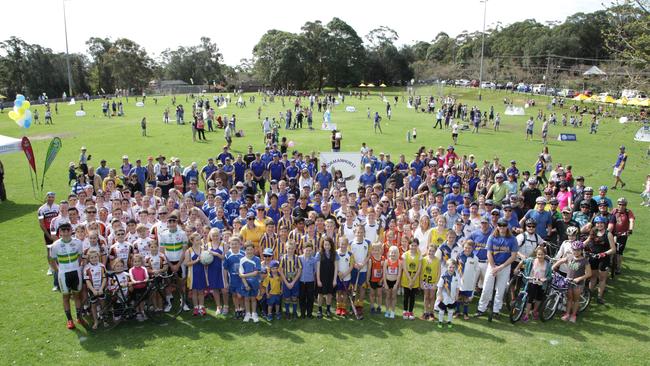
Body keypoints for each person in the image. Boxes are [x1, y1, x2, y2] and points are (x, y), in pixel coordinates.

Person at [476, 218, 518, 318]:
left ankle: (496, 311)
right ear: (497, 226)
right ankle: (481, 309)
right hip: (492, 265)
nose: (502, 227)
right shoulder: (492, 237)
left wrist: (501, 267)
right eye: (500, 225)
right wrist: (494, 267)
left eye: (504, 225)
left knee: (500, 290)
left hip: (505, 266)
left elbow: (513, 256)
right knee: (486, 288)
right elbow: (489, 253)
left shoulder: (512, 239)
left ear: (507, 226)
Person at [50, 223, 85, 329]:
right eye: (63, 231)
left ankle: (79, 317)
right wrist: (58, 270)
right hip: (63, 274)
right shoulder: (55, 245)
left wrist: (76, 267)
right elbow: (52, 260)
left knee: (77, 295)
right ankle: (70, 320)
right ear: (60, 232)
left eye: (67, 230)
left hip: (76, 272)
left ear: (71, 231)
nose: (65, 233)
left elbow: (80, 257)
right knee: (65, 296)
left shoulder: (78, 242)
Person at [553, 240, 591, 323]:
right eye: (574, 250)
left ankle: (573, 315)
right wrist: (553, 267)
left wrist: (579, 279)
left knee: (576, 300)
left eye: (578, 250)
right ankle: (567, 314)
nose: (576, 252)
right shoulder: (570, 257)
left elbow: (589, 274)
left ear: (581, 250)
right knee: (569, 299)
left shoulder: (584, 261)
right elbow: (560, 261)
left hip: (578, 284)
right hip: (568, 282)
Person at [584, 216, 616, 304]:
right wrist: (577, 245)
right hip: (593, 257)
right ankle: (589, 295)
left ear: (604, 224)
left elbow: (613, 249)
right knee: (593, 277)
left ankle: (599, 296)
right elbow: (587, 241)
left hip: (604, 259)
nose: (599, 225)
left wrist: (604, 254)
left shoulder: (608, 234)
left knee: (602, 278)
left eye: (601, 223)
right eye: (597, 223)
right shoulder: (593, 232)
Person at [516, 246, 551, 322]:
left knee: (539, 298)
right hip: (532, 282)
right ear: (536, 254)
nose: (540, 256)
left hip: (541, 284)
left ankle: (534, 311)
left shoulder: (547, 264)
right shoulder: (531, 260)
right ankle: (527, 314)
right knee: (530, 298)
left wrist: (545, 279)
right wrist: (517, 268)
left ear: (545, 255)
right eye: (538, 254)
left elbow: (549, 276)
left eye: (542, 254)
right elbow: (523, 261)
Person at [609, 197, 634, 275]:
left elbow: (631, 220)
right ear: (617, 204)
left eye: (623, 205)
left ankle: (618, 267)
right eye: (620, 204)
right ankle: (609, 263)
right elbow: (610, 219)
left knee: (619, 252)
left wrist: (630, 229)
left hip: (623, 234)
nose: (621, 206)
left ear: (626, 205)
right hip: (613, 233)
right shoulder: (614, 211)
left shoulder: (628, 212)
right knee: (610, 249)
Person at [83, 249, 106, 329]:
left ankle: (104, 319)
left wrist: (101, 289)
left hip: (101, 289)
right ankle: (96, 321)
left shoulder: (102, 266)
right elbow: (87, 281)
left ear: (98, 257)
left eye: (95, 257)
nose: (94, 259)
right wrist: (93, 290)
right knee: (93, 305)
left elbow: (104, 278)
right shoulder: (86, 268)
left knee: (102, 303)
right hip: (92, 290)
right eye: (92, 257)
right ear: (89, 259)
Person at [239, 241, 261, 323]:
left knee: (253, 299)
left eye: (251, 249)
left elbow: (255, 273)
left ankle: (254, 313)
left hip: (254, 283)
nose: (249, 251)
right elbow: (241, 272)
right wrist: (245, 284)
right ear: (245, 250)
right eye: (247, 249)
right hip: (245, 283)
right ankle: (247, 313)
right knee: (246, 299)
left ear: (254, 249)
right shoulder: (242, 260)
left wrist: (244, 275)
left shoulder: (257, 259)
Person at [316, 237, 338, 318]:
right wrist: (318, 280)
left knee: (329, 294)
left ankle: (328, 309)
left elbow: (336, 268)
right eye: (325, 244)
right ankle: (319, 310)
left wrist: (335, 280)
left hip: (331, 278)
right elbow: (317, 268)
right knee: (321, 294)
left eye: (328, 244)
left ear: (331, 245)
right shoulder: (319, 254)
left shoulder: (335, 254)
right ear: (322, 245)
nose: (327, 246)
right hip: (322, 277)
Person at [457, 240, 480, 320]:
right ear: (463, 247)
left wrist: (474, 281)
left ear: (472, 248)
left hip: (469, 282)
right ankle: (457, 312)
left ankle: (465, 313)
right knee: (459, 297)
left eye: (469, 248)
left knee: (466, 298)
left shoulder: (475, 258)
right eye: (466, 247)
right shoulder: (459, 256)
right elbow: (457, 267)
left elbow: (476, 270)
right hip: (460, 281)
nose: (467, 249)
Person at [185, 233, 207, 316]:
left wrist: (206, 261)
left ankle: (201, 307)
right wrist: (196, 261)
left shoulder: (203, 250)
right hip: (193, 274)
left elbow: (206, 262)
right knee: (194, 292)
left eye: (199, 240)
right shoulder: (189, 251)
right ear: (192, 241)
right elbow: (186, 263)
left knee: (201, 291)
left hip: (202, 273)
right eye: (197, 240)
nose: (198, 242)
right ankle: (196, 307)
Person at [279, 240, 302, 319]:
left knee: (294, 297)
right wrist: (286, 282)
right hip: (286, 281)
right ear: (286, 248)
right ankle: (287, 312)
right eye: (289, 248)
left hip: (294, 281)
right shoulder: (283, 258)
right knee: (287, 297)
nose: (290, 250)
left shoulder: (297, 258)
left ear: (294, 249)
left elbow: (299, 271)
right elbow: (281, 271)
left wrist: (293, 282)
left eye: (292, 248)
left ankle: (294, 312)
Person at [223, 236, 245, 319]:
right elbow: (225, 269)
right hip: (232, 279)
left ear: (240, 244)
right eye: (232, 244)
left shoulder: (243, 254)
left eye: (236, 244)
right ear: (230, 245)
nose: (234, 246)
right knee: (234, 295)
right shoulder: (228, 255)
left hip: (242, 279)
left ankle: (242, 309)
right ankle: (237, 309)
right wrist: (225, 281)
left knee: (241, 295)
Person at [400, 238, 421, 320]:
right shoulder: (405, 254)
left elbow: (419, 269)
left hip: (415, 279)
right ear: (409, 245)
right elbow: (404, 268)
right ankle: (405, 311)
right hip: (406, 279)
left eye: (415, 245)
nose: (413, 247)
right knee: (406, 296)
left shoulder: (419, 256)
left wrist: (413, 279)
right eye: (412, 245)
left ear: (417, 246)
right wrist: (410, 279)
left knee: (412, 297)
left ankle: (410, 311)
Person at [436, 258, 459, 329]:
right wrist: (440, 295)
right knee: (442, 309)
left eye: (453, 267)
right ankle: (440, 321)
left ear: (455, 267)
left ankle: (449, 321)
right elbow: (439, 287)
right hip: (444, 296)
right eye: (450, 267)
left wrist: (457, 295)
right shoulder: (443, 276)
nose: (451, 269)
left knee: (451, 310)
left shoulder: (457, 276)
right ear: (447, 267)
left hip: (452, 296)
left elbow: (458, 287)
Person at [420, 243, 440, 320]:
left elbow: (439, 272)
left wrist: (436, 283)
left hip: (433, 282)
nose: (431, 252)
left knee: (432, 297)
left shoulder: (437, 260)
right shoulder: (424, 259)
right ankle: (425, 312)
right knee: (426, 296)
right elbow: (421, 271)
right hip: (425, 281)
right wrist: (421, 282)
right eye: (430, 250)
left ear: (435, 252)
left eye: (433, 251)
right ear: (427, 250)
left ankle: (431, 313)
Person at [335, 238, 354, 316]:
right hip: (338, 276)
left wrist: (345, 274)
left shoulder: (350, 254)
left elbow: (351, 266)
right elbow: (334, 265)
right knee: (339, 292)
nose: (343, 246)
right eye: (341, 244)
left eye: (345, 244)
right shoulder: (335, 253)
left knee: (345, 293)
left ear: (347, 245)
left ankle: (343, 308)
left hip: (347, 277)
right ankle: (338, 307)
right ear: (339, 244)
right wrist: (338, 273)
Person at [128, 254, 150, 321]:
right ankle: (138, 313)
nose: (137, 263)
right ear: (132, 262)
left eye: (138, 261)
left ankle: (143, 311)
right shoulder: (131, 269)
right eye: (135, 261)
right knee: (136, 301)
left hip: (143, 287)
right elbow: (131, 277)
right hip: (135, 288)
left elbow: (146, 276)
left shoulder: (143, 269)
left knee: (142, 301)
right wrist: (134, 281)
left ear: (141, 262)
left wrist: (146, 279)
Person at [366, 242, 384, 315]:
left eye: (378, 250)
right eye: (374, 250)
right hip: (372, 280)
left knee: (379, 294)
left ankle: (379, 307)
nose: (376, 252)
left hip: (380, 280)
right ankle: (372, 307)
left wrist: (382, 279)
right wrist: (367, 280)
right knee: (372, 294)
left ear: (381, 250)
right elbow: (369, 270)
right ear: (372, 250)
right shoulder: (371, 259)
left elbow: (384, 270)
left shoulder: (382, 259)